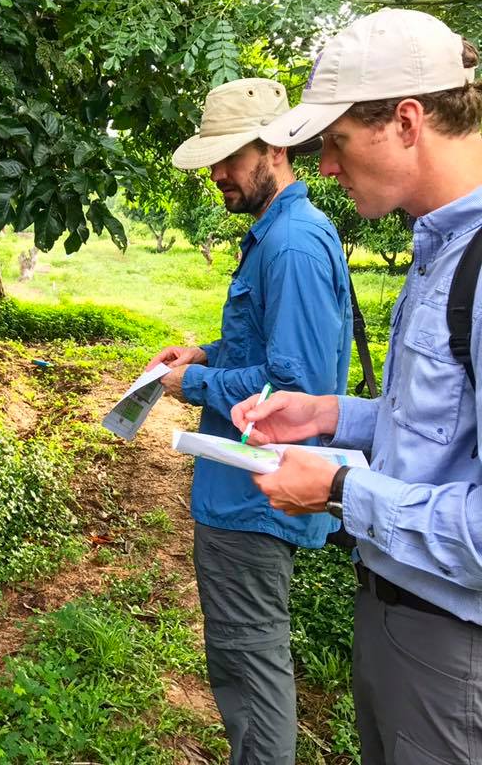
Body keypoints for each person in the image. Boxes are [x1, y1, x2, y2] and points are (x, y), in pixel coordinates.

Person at [232, 8, 482, 765]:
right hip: (399, 614)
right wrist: (328, 414)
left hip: (455, 647)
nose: (328, 168)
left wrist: (343, 491)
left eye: (337, 142)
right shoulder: (442, 246)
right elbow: (444, 426)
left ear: (407, 122)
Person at [149, 78, 353, 764]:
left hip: (253, 498)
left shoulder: (291, 245)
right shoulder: (277, 237)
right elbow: (269, 347)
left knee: (250, 662)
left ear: (273, 147)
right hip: (240, 492)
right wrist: (207, 351)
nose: (217, 174)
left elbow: (295, 390)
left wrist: (194, 381)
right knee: (243, 659)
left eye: (230, 157)